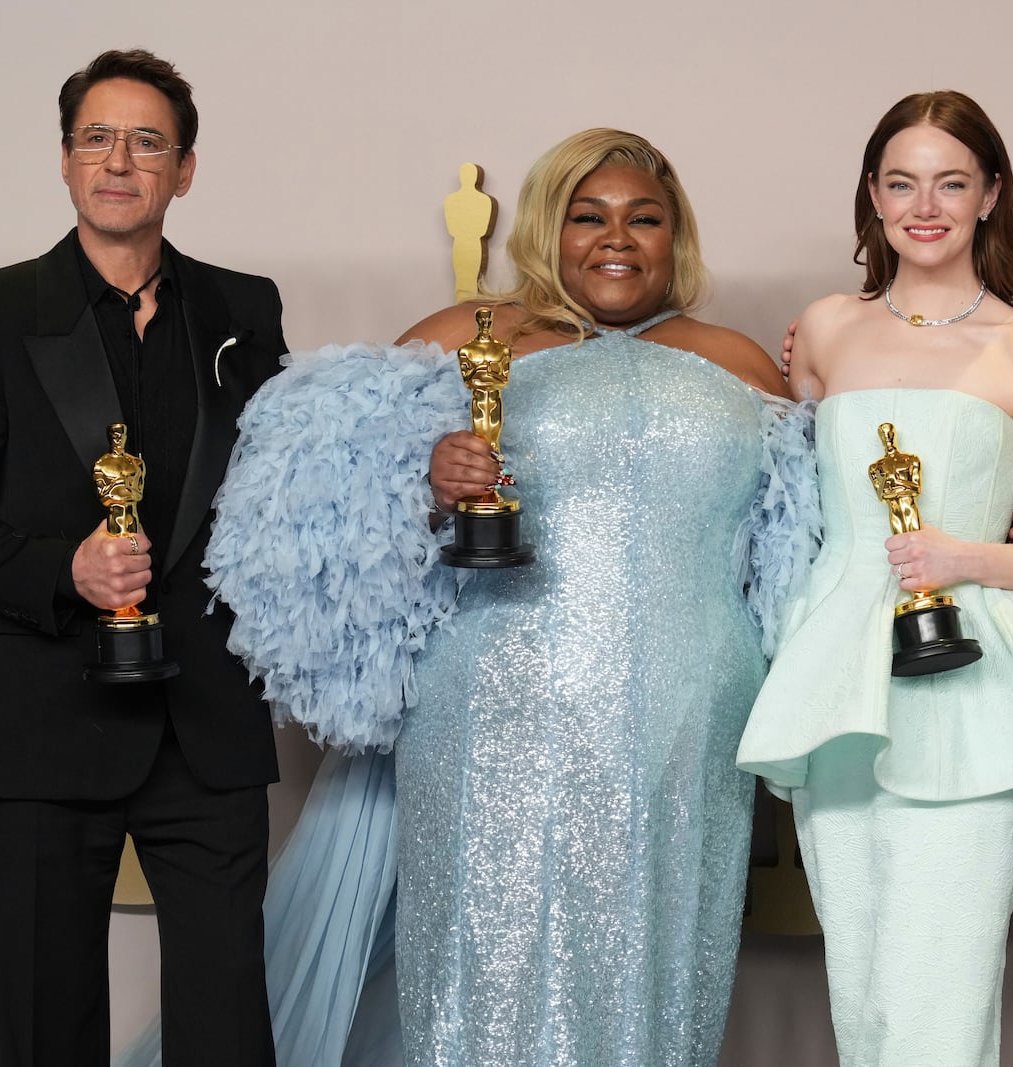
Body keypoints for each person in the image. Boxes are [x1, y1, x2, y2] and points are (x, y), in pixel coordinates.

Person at [202, 128, 816, 1066]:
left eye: (645, 218)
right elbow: (319, 512)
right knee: (484, 966)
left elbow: (805, 536)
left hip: (692, 718)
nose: (617, 238)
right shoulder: (469, 337)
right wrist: (424, 475)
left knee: (663, 958)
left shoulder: (737, 362)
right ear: (546, 227)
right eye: (588, 215)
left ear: (676, 236)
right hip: (493, 707)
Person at [736, 90, 1013, 1067]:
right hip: (838, 676)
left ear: (989, 194)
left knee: (943, 974)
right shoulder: (825, 330)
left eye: (951, 181)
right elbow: (803, 502)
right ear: (873, 196)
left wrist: (963, 558)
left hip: (966, 680)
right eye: (901, 181)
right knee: (865, 980)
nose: (924, 204)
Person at [0, 49, 287, 1065]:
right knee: (45, 1024)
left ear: (185, 169)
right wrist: (61, 570)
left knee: (229, 1033)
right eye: (98, 138)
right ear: (67, 161)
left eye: (148, 140)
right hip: (47, 718)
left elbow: (282, 496)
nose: (121, 159)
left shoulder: (245, 309)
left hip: (208, 722)